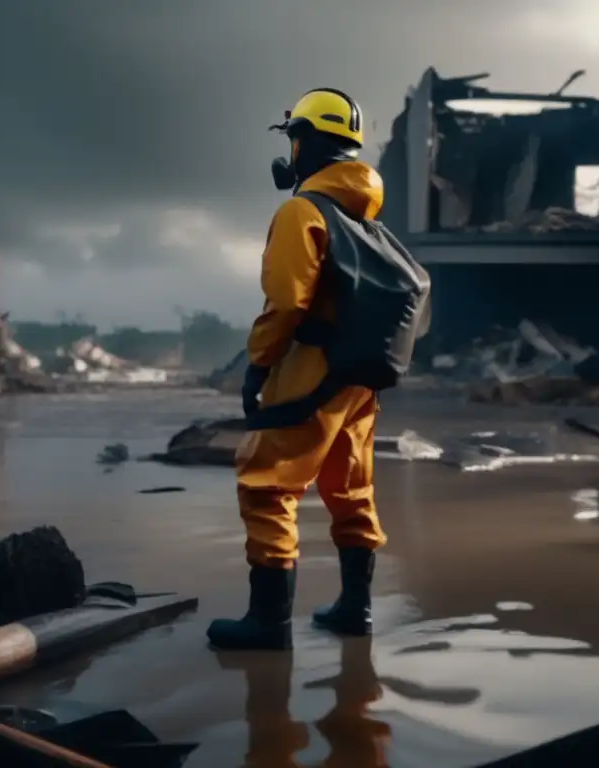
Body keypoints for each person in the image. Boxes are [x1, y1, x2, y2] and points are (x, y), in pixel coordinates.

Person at [207, 88, 394, 651]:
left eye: (294, 139)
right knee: (351, 489)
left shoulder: (303, 210)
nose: (289, 152)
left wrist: (258, 366)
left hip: (312, 369)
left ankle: (268, 623)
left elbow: (287, 302)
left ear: (306, 140)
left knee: (266, 486)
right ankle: (355, 610)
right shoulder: (366, 218)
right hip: (359, 377)